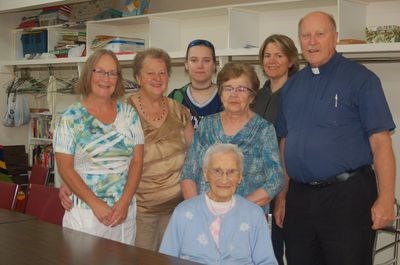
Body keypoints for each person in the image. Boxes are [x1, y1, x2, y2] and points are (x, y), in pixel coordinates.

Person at [275, 11, 396, 265]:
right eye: (306, 36)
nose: (312, 42)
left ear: (335, 37)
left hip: (347, 197)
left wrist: (386, 199)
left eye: (320, 34)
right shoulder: (291, 87)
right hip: (300, 199)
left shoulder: (361, 80)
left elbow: (381, 143)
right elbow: (285, 144)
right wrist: (283, 196)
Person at [53, 49, 144, 245]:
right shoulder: (70, 118)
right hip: (85, 214)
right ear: (88, 74)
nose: (106, 78)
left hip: (123, 213)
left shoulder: (129, 115)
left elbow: (137, 161)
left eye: (112, 73)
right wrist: (96, 204)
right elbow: (65, 168)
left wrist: (125, 202)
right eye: (100, 71)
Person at [180, 62, 283, 209]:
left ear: (252, 96)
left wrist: (235, 209)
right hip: (206, 216)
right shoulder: (206, 126)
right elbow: (188, 173)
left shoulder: (264, 130)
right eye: (228, 88)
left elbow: (275, 180)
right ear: (220, 94)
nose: (234, 94)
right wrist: (199, 210)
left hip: (246, 217)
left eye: (241, 89)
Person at [160, 143, 278, 265]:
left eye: (231, 172)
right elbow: (166, 259)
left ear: (240, 176)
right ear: (205, 174)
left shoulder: (254, 214)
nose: (224, 179)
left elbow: (267, 262)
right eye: (217, 171)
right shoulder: (183, 212)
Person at [126, 48, 194, 251]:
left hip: (176, 209)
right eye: (150, 73)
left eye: (162, 73)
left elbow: (194, 155)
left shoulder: (179, 111)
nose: (157, 78)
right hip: (140, 211)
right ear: (138, 77)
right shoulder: (124, 112)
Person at [253, 34, 299, 265]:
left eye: (279, 55)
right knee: (264, 248)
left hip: (287, 185)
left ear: (290, 60)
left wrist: (283, 194)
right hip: (258, 186)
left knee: (284, 248)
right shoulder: (258, 95)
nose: (272, 60)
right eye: (267, 55)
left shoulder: (299, 93)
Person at [168, 39, 222, 129]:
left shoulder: (227, 96)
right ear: (186, 64)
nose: (200, 66)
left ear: (214, 65)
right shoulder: (176, 97)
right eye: (194, 60)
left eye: (206, 60)